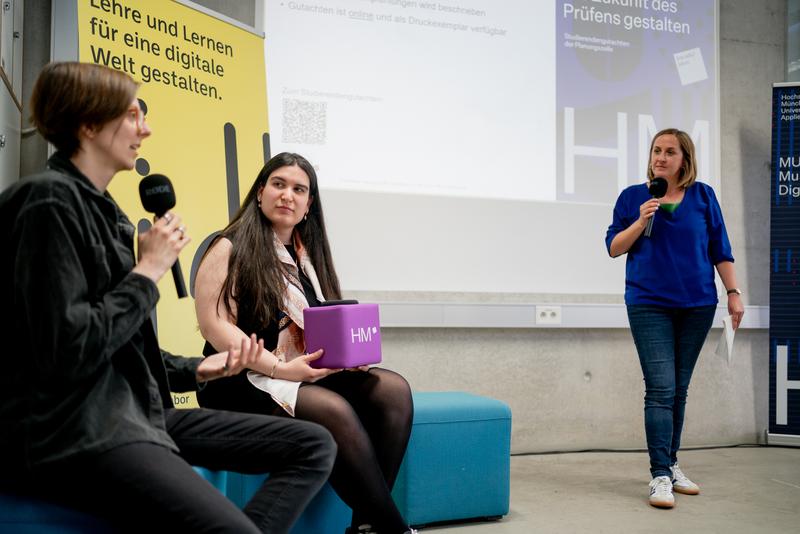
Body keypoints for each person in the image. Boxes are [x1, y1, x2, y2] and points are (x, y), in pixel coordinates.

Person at [0, 62, 337, 533]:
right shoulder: (46, 204)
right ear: (90, 124)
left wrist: (198, 368)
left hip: (137, 412)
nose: (146, 127)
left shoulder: (107, 213)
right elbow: (68, 348)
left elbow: (121, 345)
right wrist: (148, 271)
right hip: (78, 429)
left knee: (315, 445)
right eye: (133, 115)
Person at [194, 152, 416, 534]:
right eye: (278, 184)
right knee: (334, 410)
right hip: (239, 379)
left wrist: (349, 357)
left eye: (299, 189)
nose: (287, 196)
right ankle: (390, 528)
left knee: (392, 390)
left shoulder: (307, 258)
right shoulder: (227, 246)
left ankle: (365, 526)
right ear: (260, 192)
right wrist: (279, 368)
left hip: (299, 371)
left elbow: (324, 326)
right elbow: (214, 328)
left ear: (308, 204)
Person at [605, 128, 745, 509]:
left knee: (679, 388)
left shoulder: (703, 196)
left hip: (698, 304)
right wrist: (639, 221)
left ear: (685, 159)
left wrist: (733, 294)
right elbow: (614, 248)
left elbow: (720, 248)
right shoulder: (635, 198)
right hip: (648, 303)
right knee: (661, 387)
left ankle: (671, 462)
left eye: (670, 152)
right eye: (656, 150)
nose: (661, 157)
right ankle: (660, 475)